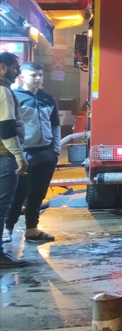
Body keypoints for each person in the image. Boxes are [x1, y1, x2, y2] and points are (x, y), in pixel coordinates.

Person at [6, 62, 61, 242]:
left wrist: (56, 150)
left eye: (40, 75)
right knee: (17, 194)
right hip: (24, 154)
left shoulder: (47, 98)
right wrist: (16, 153)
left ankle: (31, 229)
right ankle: (7, 229)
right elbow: (9, 126)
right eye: (33, 75)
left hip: (45, 153)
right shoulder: (14, 97)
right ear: (22, 76)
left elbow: (55, 125)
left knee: (38, 193)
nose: (37, 78)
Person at [0, 52, 29, 269]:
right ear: (3, 67)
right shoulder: (3, 92)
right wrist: (19, 157)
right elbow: (7, 128)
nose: (17, 71)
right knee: (2, 206)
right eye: (14, 67)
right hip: (4, 156)